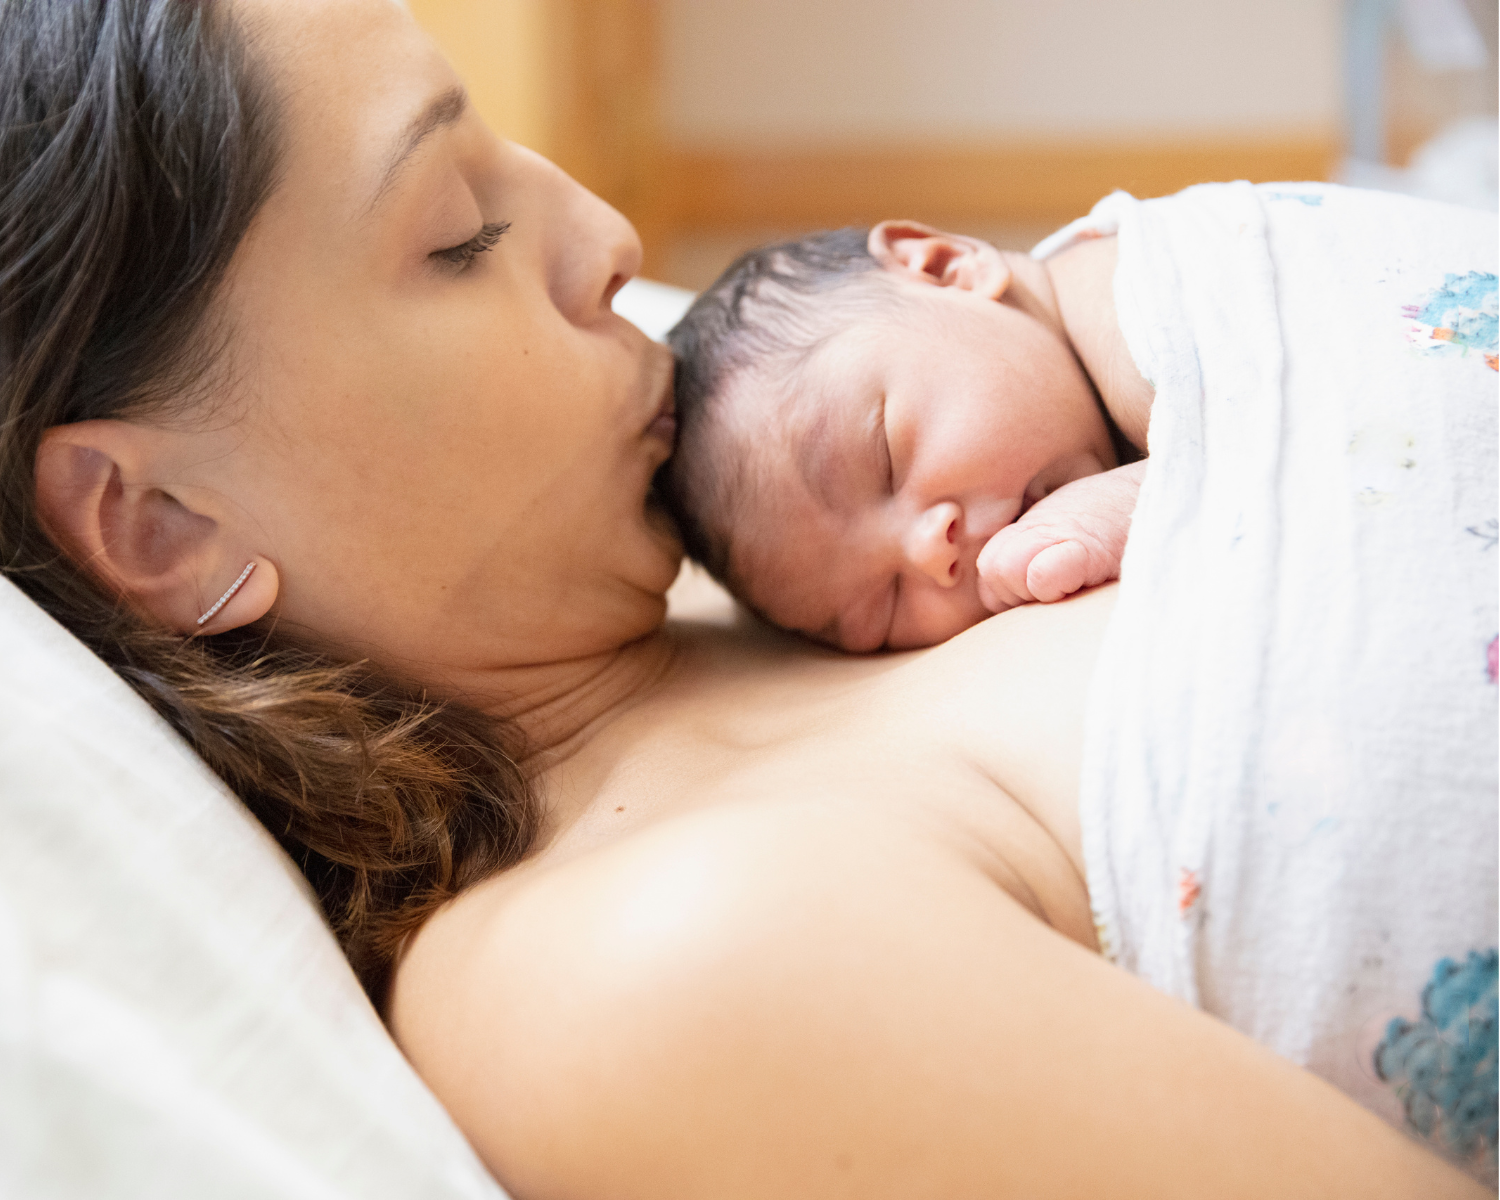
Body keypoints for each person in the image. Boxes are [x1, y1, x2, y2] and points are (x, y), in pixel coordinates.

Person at [1, 1, 1488, 1197]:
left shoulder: (757, 558)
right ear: (164, 528)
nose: (610, 238)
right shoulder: (624, 968)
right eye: (460, 234)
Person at [663, 223, 1149, 650]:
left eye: (887, 460)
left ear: (944, 268)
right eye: (882, 611)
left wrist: (1130, 502)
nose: (930, 553)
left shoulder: (1133, 304)